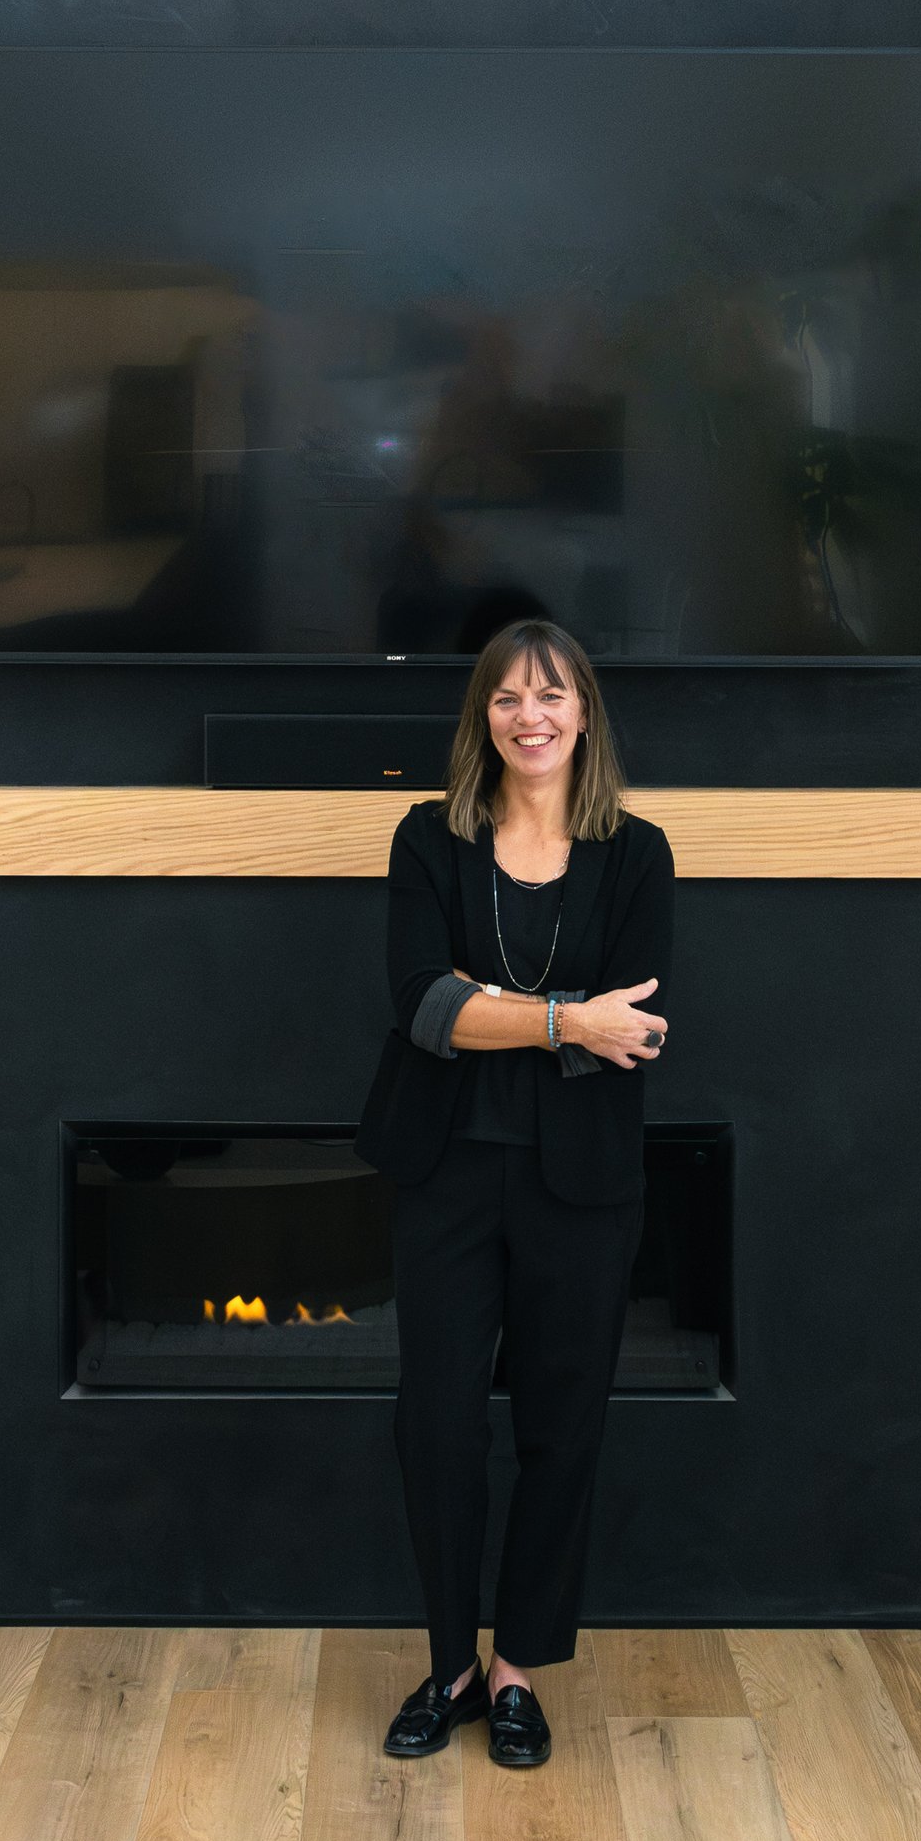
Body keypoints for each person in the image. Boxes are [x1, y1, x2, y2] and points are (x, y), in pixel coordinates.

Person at [354, 617, 673, 1771]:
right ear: (480, 719)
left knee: (562, 1426)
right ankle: (447, 1661)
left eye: (551, 696)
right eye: (505, 699)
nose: (529, 717)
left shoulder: (636, 854)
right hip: (444, 1171)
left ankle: (518, 1666)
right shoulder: (427, 841)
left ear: (583, 714)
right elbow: (419, 1008)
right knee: (434, 1423)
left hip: (580, 1184)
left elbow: (630, 1035)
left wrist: (506, 1015)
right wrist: (560, 1019)